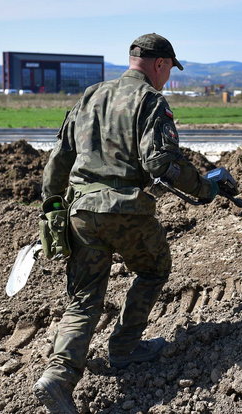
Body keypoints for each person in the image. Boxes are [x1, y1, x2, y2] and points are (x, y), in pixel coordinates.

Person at [33, 33, 219, 413]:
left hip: (81, 211)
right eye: (168, 70)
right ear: (160, 64)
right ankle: (124, 347)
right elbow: (159, 163)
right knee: (153, 269)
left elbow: (59, 159)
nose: (167, 78)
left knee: (84, 298)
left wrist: (53, 207)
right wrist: (204, 188)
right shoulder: (151, 100)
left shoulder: (90, 95)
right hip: (126, 211)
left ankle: (58, 376)